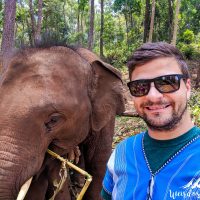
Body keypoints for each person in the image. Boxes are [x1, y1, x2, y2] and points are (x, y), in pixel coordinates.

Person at [101, 42, 200, 200]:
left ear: (187, 88)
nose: (153, 96)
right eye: (140, 87)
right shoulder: (122, 153)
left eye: (167, 82)